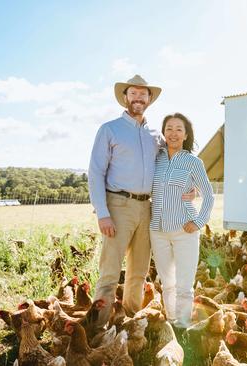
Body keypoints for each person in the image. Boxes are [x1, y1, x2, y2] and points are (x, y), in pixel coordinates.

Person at [88, 75, 193, 326]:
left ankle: (130, 324)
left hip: (147, 207)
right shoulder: (109, 129)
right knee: (111, 272)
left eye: (142, 94)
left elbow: (174, 161)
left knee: (139, 271)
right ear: (125, 98)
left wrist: (191, 187)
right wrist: (102, 212)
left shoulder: (156, 135)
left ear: (149, 99)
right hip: (118, 205)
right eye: (133, 93)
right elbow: (95, 172)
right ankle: (97, 328)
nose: (137, 98)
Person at [150, 112, 214, 329]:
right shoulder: (155, 158)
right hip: (157, 229)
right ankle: (170, 322)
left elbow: (209, 195)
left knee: (184, 285)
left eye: (179, 129)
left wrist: (198, 221)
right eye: (169, 128)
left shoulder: (193, 162)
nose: (173, 133)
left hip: (184, 229)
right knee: (167, 282)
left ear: (186, 134)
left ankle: (183, 324)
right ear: (163, 132)